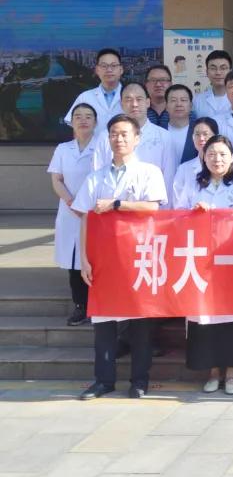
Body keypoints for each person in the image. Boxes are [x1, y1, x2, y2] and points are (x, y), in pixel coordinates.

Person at [72, 115, 168, 399]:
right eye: (114, 134)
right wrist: (84, 259)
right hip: (103, 259)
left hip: (138, 256)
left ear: (137, 139)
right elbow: (85, 218)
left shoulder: (149, 172)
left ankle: (139, 380)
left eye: (125, 134)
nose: (119, 139)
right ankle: (103, 381)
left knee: (140, 324)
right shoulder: (96, 177)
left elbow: (153, 208)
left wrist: (117, 204)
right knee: (103, 322)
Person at [176, 135, 233, 395]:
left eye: (223, 154)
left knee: (232, 317)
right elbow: (177, 216)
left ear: (232, 158)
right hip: (201, 261)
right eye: (211, 154)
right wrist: (194, 213)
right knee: (205, 316)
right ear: (203, 157)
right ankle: (212, 371)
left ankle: (232, 372)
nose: (217, 159)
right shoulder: (193, 185)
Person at [48, 102, 98, 327]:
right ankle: (81, 306)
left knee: (94, 258)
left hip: (95, 211)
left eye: (88, 116)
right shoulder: (62, 149)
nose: (83, 120)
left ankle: (98, 306)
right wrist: (72, 203)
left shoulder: (103, 147)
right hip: (70, 212)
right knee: (73, 260)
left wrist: (85, 205)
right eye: (78, 116)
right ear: (71, 122)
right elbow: (56, 179)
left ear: (95, 122)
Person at [92, 83, 177, 202]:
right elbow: (97, 173)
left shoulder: (164, 136)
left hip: (152, 205)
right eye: (128, 100)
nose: (134, 104)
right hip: (112, 206)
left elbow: (169, 177)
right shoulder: (105, 136)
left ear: (148, 102)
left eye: (139, 99)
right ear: (121, 104)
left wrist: (162, 209)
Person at [64, 48, 125, 135]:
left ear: (121, 69)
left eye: (113, 65)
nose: (109, 70)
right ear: (97, 70)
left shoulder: (131, 98)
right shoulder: (84, 97)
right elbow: (74, 127)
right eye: (104, 66)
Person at [172, 117, 219, 211]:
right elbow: (177, 205)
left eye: (205, 134)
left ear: (216, 136)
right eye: (197, 134)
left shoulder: (228, 166)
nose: (201, 138)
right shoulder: (184, 169)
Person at [193, 50, 233, 120]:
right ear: (207, 72)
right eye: (213, 68)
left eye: (223, 68)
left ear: (230, 72)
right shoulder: (197, 100)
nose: (218, 72)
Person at [165, 84, 197, 166]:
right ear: (166, 106)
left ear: (191, 106)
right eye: (173, 100)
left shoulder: (199, 131)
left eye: (183, 100)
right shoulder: (157, 132)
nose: (179, 104)